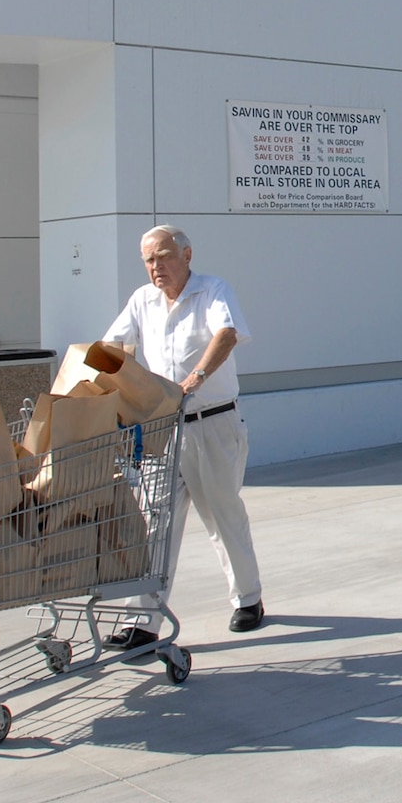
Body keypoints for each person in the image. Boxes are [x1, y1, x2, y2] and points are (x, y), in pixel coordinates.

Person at [101, 225, 264, 645]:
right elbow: (113, 346)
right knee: (153, 525)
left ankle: (248, 600)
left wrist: (193, 379)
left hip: (213, 423)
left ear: (187, 255)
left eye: (164, 256)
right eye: (149, 260)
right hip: (162, 431)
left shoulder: (213, 291)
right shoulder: (142, 300)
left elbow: (226, 334)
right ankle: (142, 622)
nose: (157, 267)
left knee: (222, 516)